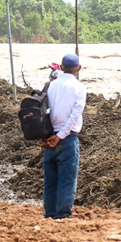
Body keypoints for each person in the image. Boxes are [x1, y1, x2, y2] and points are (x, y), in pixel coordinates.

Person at [40, 53, 87, 220]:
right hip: (66, 138)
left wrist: (46, 136)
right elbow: (74, 116)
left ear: (60, 67)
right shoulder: (79, 87)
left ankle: (49, 213)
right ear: (78, 69)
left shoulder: (51, 85)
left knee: (50, 180)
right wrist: (60, 136)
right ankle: (62, 214)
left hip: (49, 137)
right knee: (67, 179)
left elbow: (44, 112)